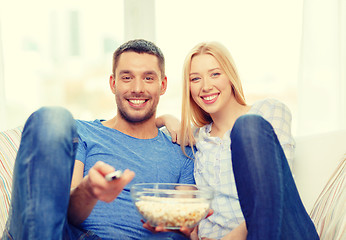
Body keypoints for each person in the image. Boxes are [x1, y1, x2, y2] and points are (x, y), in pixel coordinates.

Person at [2, 39, 196, 240]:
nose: (138, 88)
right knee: (53, 118)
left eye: (148, 78)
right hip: (67, 235)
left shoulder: (182, 151)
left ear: (162, 85)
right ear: (113, 83)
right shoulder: (83, 133)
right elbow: (66, 214)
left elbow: (184, 224)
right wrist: (89, 191)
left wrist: (177, 224)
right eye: (127, 77)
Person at [159, 41, 320, 240]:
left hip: (283, 231)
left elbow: (276, 193)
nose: (206, 86)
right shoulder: (196, 139)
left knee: (247, 126)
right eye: (195, 79)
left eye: (215, 74)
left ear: (230, 76)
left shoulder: (268, 112)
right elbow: (141, 128)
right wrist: (165, 118)